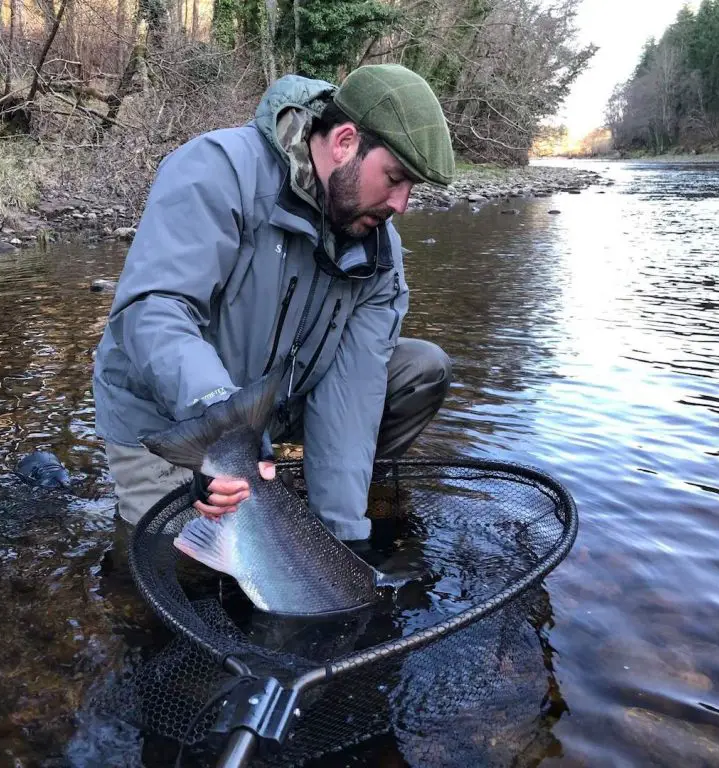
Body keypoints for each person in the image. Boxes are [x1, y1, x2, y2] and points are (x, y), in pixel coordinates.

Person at [93, 63, 454, 549]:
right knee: (186, 563)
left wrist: (344, 539)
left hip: (273, 403)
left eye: (413, 188)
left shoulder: (378, 252)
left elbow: (352, 394)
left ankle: (294, 485)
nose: (402, 204)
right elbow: (155, 312)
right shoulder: (218, 170)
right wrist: (223, 437)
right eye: (394, 178)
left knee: (421, 368)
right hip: (167, 411)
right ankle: (237, 473)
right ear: (345, 142)